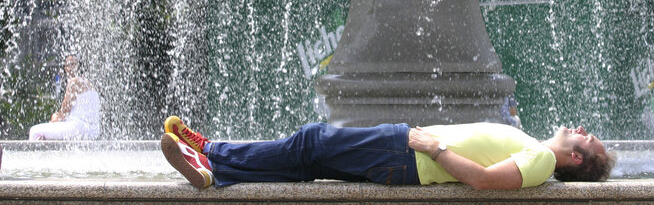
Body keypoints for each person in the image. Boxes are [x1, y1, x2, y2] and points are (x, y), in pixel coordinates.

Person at [161, 115, 615, 189]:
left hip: (408, 154)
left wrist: (431, 145)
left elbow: (483, 181)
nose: (579, 130)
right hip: (406, 156)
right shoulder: (538, 153)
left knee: (312, 140)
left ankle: (211, 151)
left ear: (576, 158)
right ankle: (217, 174)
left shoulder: (540, 159)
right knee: (310, 160)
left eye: (586, 138)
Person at [28, 55, 101, 140]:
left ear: (78, 66)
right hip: (93, 131)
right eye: (68, 65)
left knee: (34, 131)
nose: (70, 68)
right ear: (65, 68)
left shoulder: (74, 82)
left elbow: (64, 113)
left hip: (79, 128)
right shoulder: (89, 84)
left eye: (73, 64)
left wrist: (54, 118)